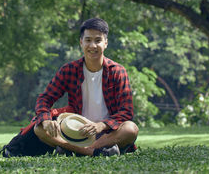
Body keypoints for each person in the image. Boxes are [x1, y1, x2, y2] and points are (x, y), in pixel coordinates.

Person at [33, 18, 139, 156]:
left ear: (105, 43)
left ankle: (78, 150)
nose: (93, 45)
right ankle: (95, 152)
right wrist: (46, 119)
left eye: (98, 40)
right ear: (81, 42)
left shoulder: (117, 71)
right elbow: (45, 98)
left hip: (107, 134)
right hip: (75, 132)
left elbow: (127, 111)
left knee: (131, 129)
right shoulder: (69, 70)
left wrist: (101, 125)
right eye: (88, 40)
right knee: (39, 128)